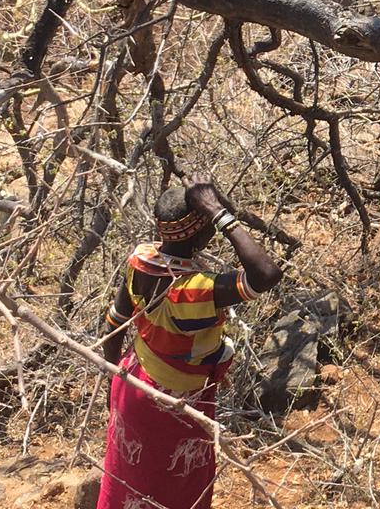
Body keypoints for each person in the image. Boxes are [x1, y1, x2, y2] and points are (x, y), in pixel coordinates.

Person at [97, 177, 283, 509]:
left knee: (129, 483)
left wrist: (116, 383)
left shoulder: (139, 259)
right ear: (202, 232)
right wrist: (218, 211)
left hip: (132, 384)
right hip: (175, 404)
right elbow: (265, 274)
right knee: (177, 490)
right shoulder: (195, 288)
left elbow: (113, 325)